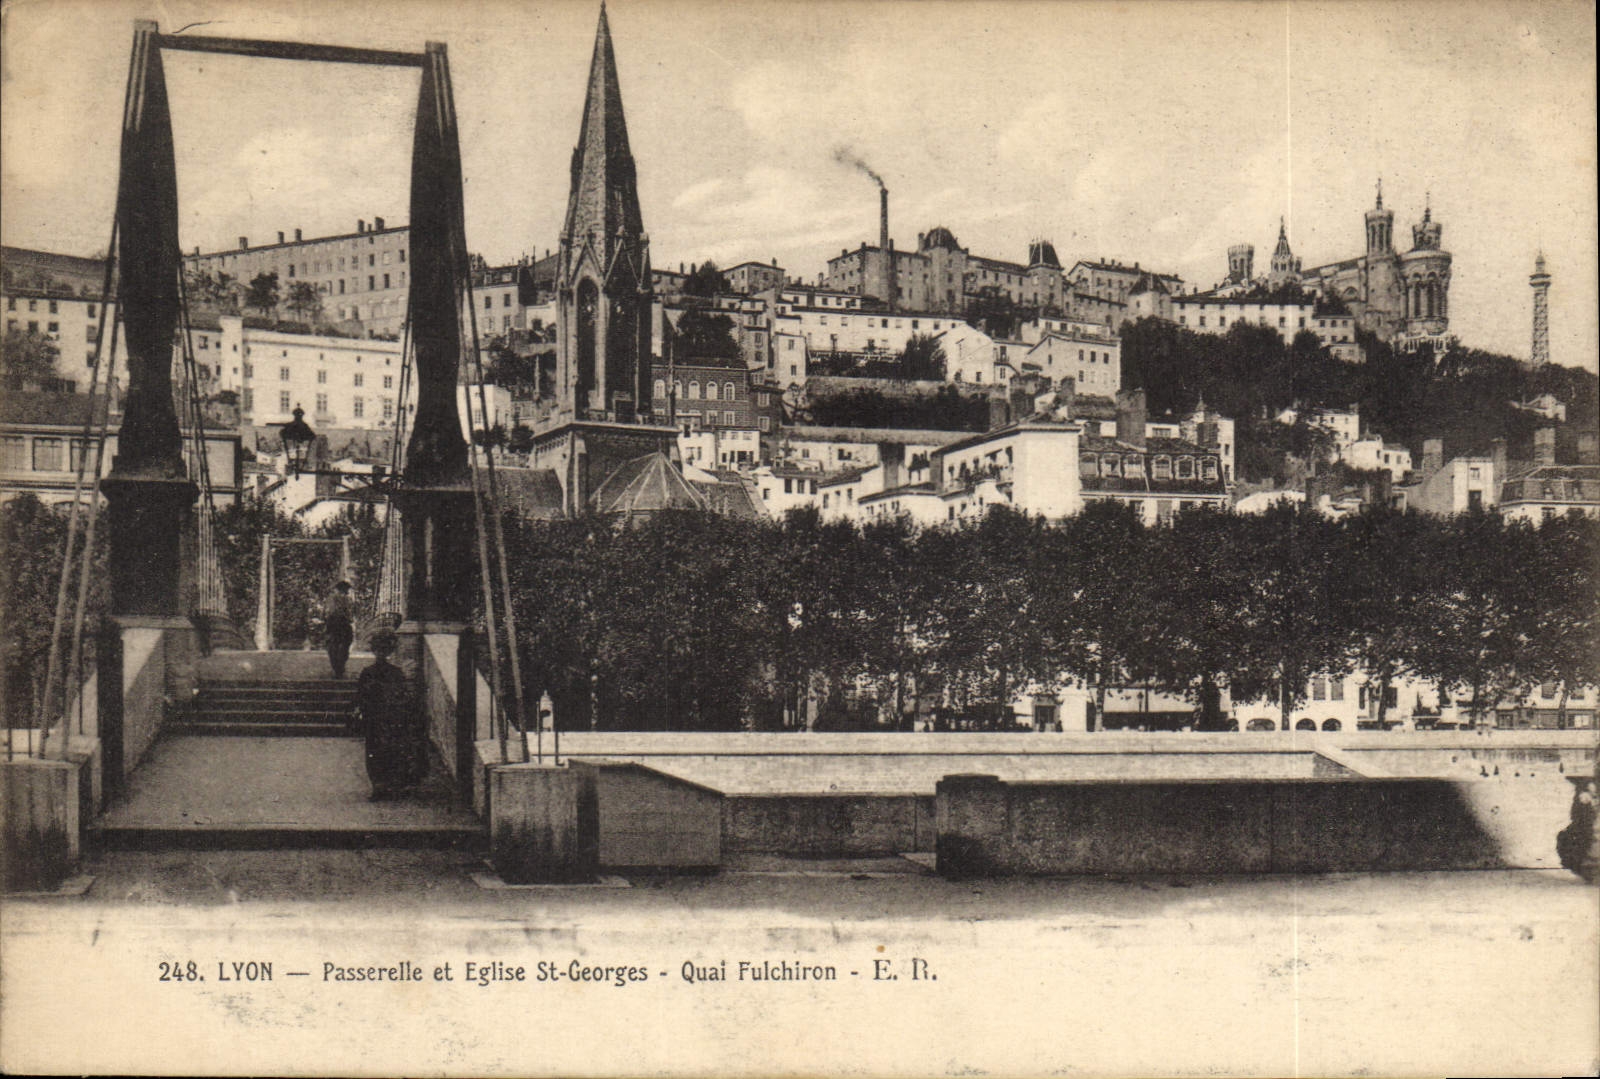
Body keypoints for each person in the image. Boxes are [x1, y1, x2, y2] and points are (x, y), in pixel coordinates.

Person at [357, 628, 425, 800]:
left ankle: (381, 786)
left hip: (380, 718)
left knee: (377, 751)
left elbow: (360, 696)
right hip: (387, 717)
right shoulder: (393, 673)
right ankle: (384, 786)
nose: (380, 653)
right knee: (386, 750)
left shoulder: (370, 672)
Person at [324, 580, 355, 677]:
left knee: (333, 646)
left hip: (333, 624)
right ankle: (340, 667)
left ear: (337, 589)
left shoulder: (331, 599)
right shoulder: (348, 600)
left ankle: (337, 667)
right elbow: (350, 615)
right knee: (344, 646)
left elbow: (328, 612)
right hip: (344, 624)